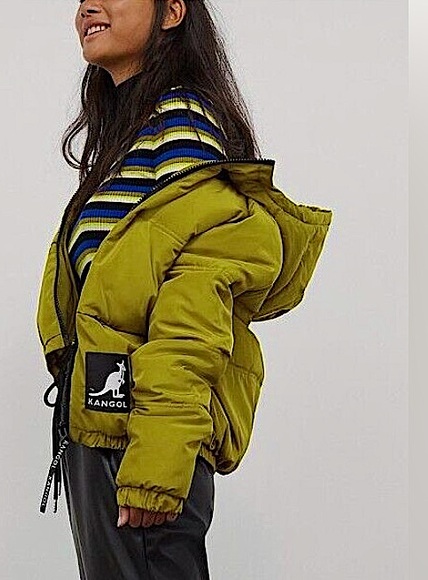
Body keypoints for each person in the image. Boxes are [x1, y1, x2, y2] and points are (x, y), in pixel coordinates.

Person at [35, 1, 333, 578]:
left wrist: (158, 462)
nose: (87, 6)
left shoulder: (182, 126)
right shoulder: (131, 139)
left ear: (172, 11)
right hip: (108, 431)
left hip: (143, 444)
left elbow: (193, 311)